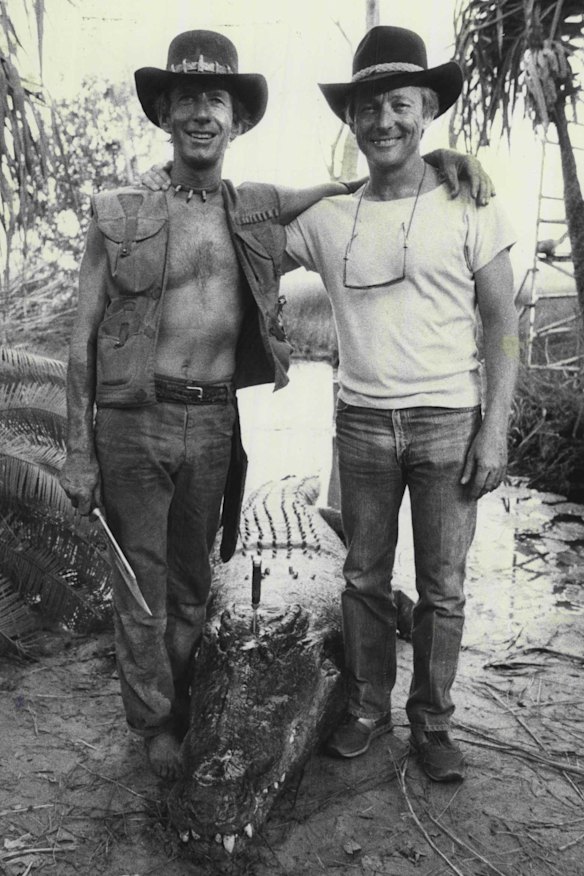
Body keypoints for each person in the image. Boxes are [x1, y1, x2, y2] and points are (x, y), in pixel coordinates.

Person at [60, 28, 493, 781]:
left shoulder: (254, 211)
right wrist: (75, 448)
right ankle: (157, 725)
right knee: (142, 586)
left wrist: (449, 162)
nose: (202, 113)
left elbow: (367, 191)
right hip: (134, 419)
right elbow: (80, 341)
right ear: (165, 112)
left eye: (216, 100)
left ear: (239, 120)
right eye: (187, 97)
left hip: (215, 419)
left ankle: (197, 702)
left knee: (194, 584)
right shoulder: (117, 214)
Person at [282, 26, 519, 782]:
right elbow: (247, 232)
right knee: (363, 578)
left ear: (426, 111)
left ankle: (434, 724)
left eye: (401, 104)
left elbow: (502, 322)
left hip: (450, 422)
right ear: (351, 119)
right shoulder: (327, 217)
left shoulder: (468, 201)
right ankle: (364, 708)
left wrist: (497, 430)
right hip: (360, 425)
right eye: (370, 107)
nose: (385, 121)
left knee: (444, 586)